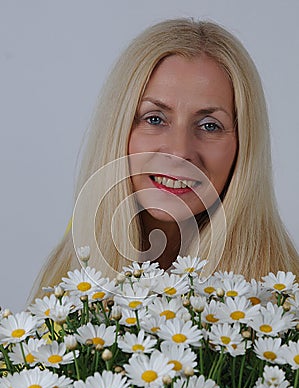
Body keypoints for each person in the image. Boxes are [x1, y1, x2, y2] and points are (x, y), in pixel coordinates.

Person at [29, 18, 299, 303]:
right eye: (154, 119)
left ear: (245, 145)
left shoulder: (285, 301)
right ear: (118, 130)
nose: (179, 151)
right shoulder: (71, 271)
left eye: (209, 125)